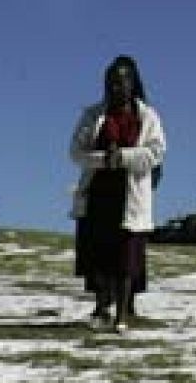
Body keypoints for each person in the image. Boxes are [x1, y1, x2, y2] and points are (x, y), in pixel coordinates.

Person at [68, 55, 166, 333]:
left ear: (132, 84)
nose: (115, 87)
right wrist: (103, 160)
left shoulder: (147, 116)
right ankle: (101, 306)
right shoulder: (93, 115)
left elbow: (156, 151)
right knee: (99, 256)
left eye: (121, 81)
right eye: (110, 82)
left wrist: (122, 157)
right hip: (99, 194)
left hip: (129, 195)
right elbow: (76, 152)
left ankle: (122, 314)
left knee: (125, 259)